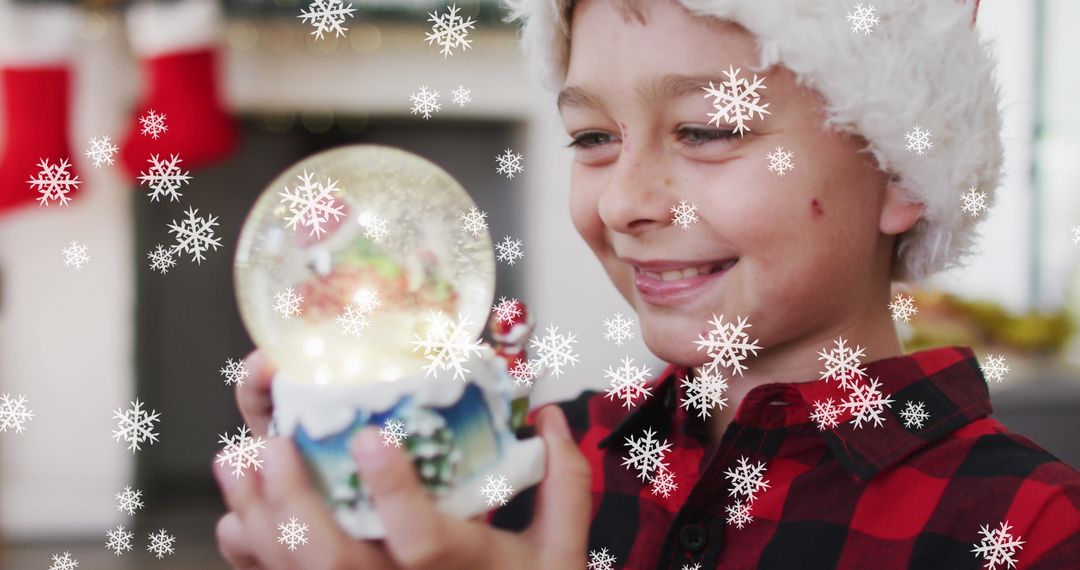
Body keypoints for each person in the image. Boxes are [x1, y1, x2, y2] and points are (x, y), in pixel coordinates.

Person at [213, 0, 1080, 568]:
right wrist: (348, 502)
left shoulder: (1032, 530)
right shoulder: (531, 466)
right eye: (591, 138)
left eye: (705, 130)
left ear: (903, 172)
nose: (624, 201)